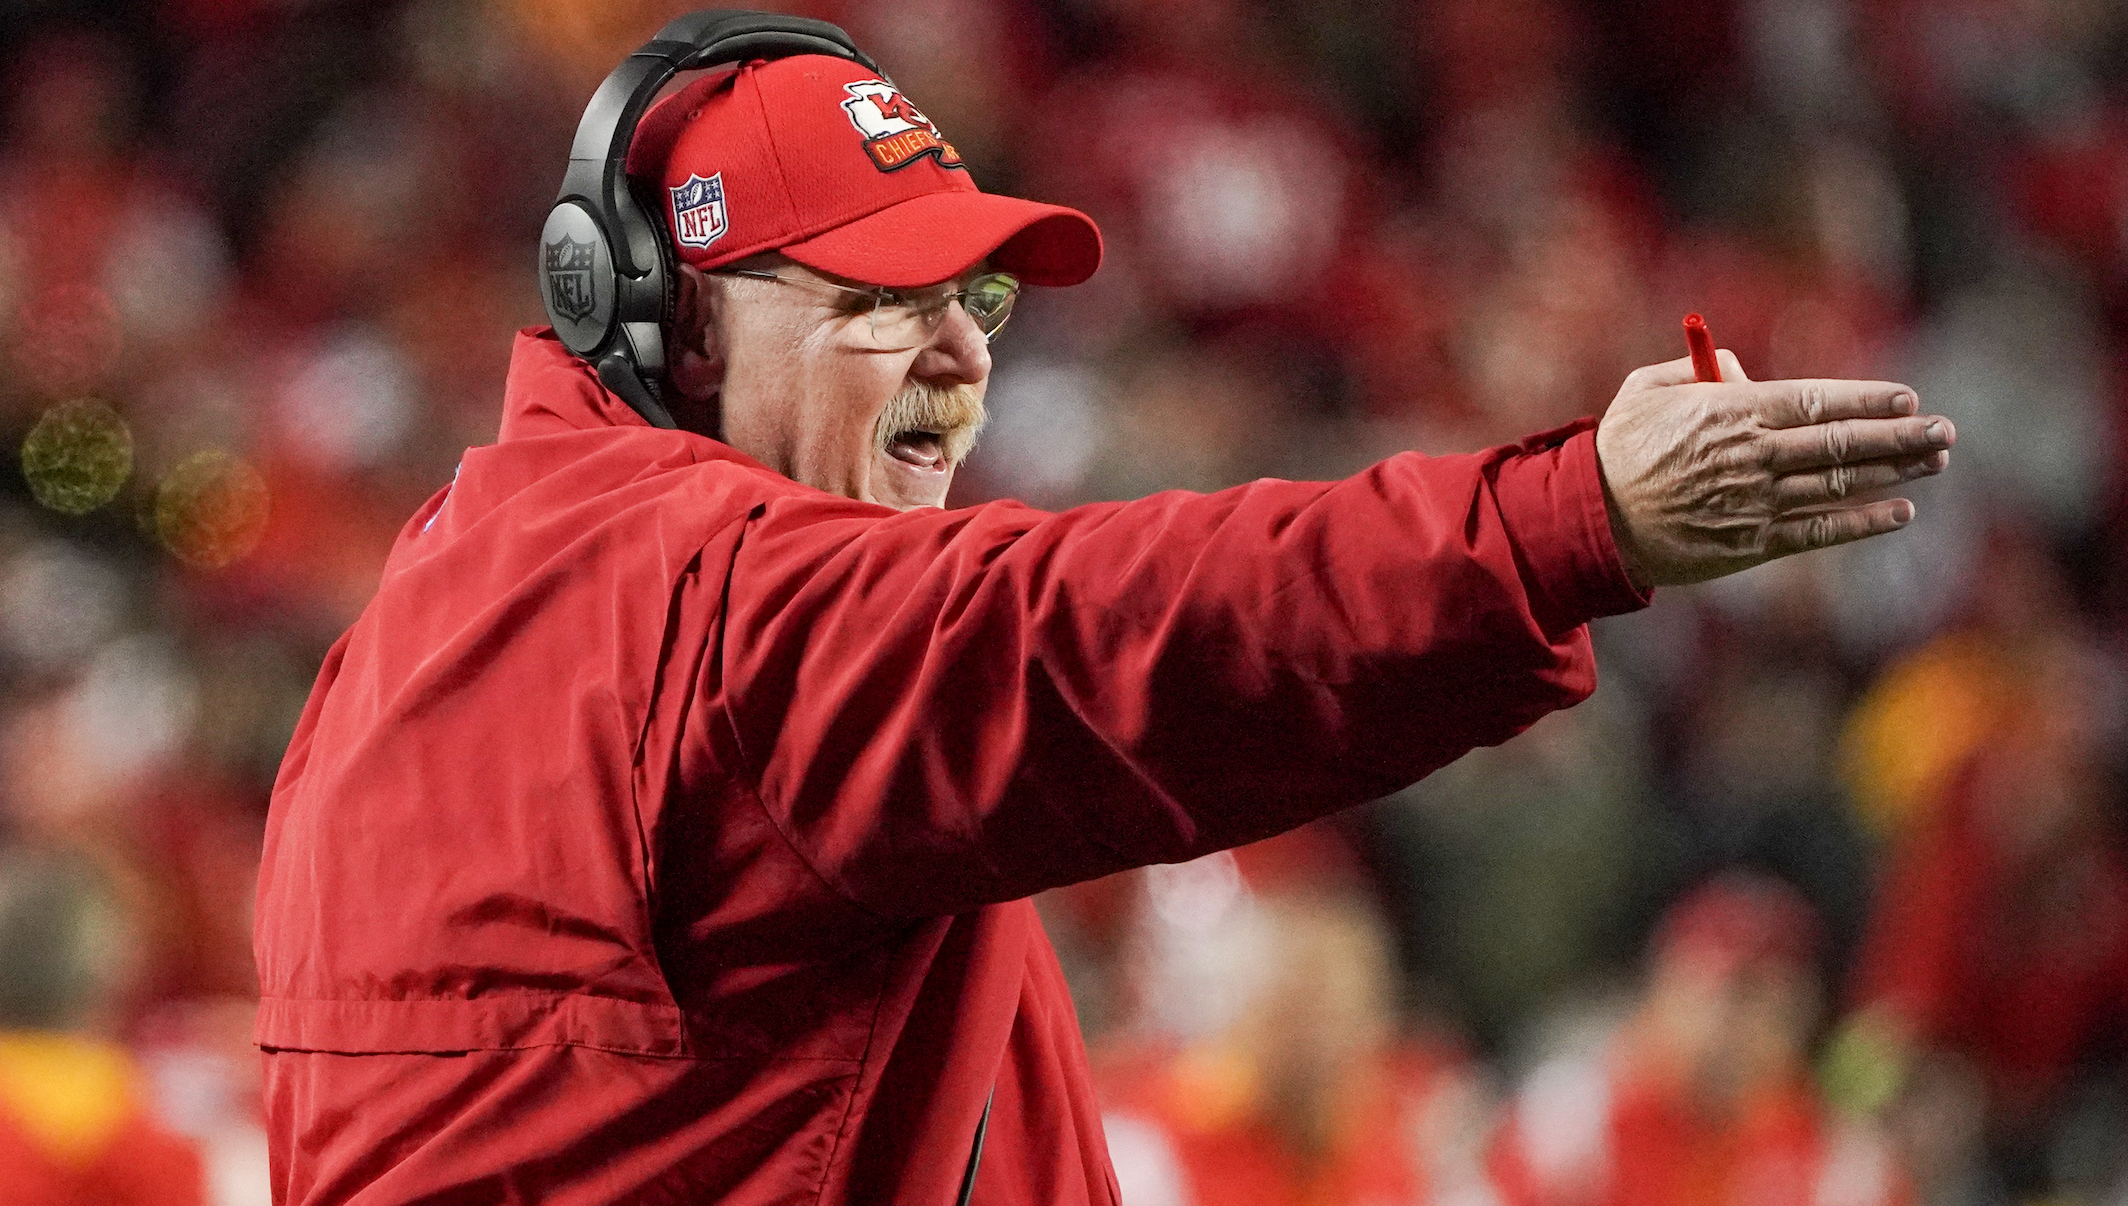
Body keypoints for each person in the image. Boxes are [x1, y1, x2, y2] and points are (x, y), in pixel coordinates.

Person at [251, 45, 1957, 1206]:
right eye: (881, 299)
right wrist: (1570, 519)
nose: (962, 353)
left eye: (974, 296)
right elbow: (1128, 634)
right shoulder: (728, 603)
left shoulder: (411, 619)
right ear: (680, 325)